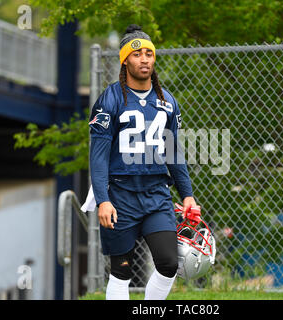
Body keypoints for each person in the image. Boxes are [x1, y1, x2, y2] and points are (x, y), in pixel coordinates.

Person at [87, 24, 197, 300]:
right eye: (137, 54)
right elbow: (98, 156)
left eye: (149, 53)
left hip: (156, 194)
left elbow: (173, 152)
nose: (144, 59)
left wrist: (188, 196)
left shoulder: (168, 101)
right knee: (121, 270)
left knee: (169, 263)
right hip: (120, 195)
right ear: (125, 60)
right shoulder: (109, 100)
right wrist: (103, 200)